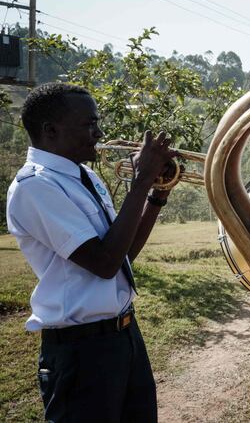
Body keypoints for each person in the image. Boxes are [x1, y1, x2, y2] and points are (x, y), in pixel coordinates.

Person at [6, 82, 177, 422]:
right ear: (50, 131)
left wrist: (156, 195)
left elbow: (121, 257)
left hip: (124, 337)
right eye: (89, 124)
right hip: (81, 352)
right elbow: (103, 263)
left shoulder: (83, 175)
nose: (99, 132)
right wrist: (140, 181)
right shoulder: (35, 186)